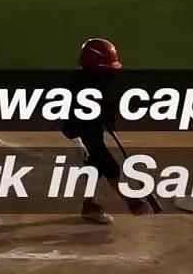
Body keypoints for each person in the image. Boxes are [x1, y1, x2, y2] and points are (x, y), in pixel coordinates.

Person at [61, 38, 154, 225]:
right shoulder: (81, 87)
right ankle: (131, 201)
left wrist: (107, 118)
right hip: (78, 131)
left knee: (95, 164)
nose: (110, 71)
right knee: (105, 163)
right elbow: (82, 116)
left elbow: (103, 104)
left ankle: (90, 205)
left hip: (88, 126)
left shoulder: (95, 80)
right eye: (105, 67)